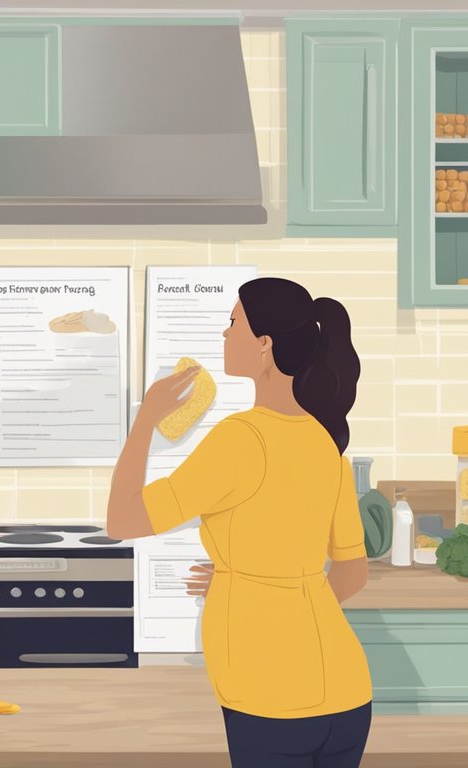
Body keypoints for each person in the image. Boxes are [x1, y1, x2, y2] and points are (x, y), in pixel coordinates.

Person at [107, 277, 372, 768]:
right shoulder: (324, 441)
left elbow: (123, 519)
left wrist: (147, 417)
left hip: (271, 699)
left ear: (265, 346)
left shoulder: (240, 440)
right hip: (349, 696)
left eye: (233, 323)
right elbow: (353, 573)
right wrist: (265, 587)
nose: (225, 334)